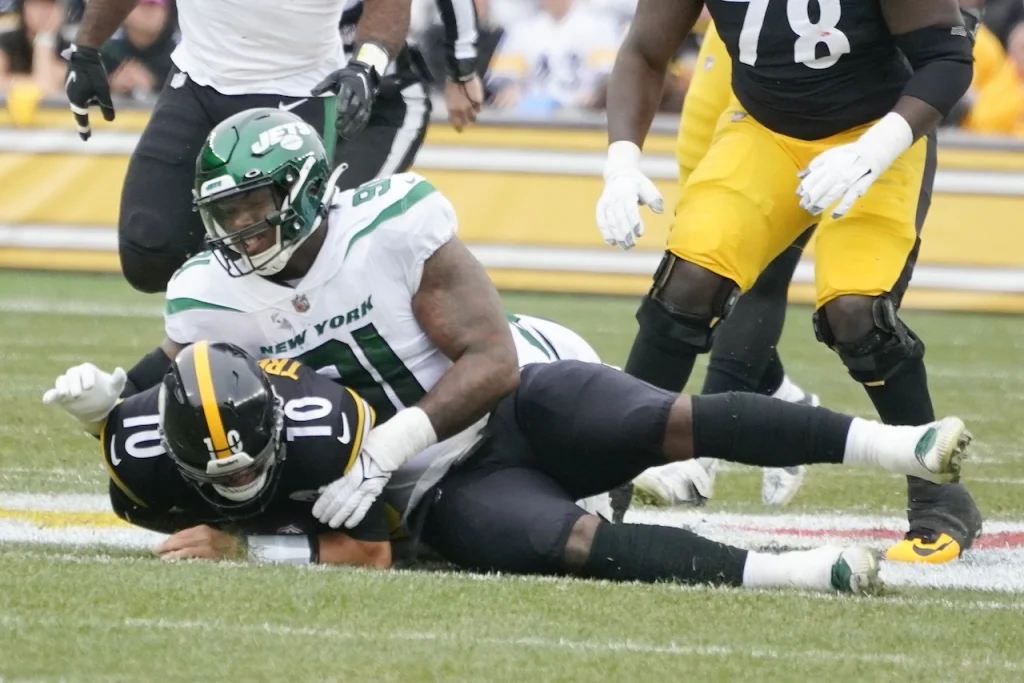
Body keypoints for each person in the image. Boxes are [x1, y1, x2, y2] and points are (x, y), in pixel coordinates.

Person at [44, 337, 972, 594]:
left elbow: (365, 552)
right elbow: (175, 358)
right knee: (563, 541)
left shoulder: (324, 422)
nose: (236, 481)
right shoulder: (141, 469)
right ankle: (798, 571)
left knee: (661, 419)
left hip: (507, 394)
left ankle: (898, 444)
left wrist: (245, 546)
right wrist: (104, 410)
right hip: (448, 493)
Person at [595, 0, 983, 563]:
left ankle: (938, 494)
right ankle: (604, 473)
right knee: (688, 284)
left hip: (876, 130)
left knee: (856, 313)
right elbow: (644, 50)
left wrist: (874, 149)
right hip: (764, 130)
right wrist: (621, 161)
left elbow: (947, 58)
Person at [63, 0, 482, 294]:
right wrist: (86, 50)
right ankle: (210, 345)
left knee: (300, 254)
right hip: (199, 79)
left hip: (315, 89)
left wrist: (454, 65)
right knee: (149, 250)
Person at [0, 0, 67, 95]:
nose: (42, 14)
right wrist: (34, 82)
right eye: (36, 7)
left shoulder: (67, 49)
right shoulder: (6, 42)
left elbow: (46, 86)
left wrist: (44, 39)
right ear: (24, 9)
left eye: (48, 7)